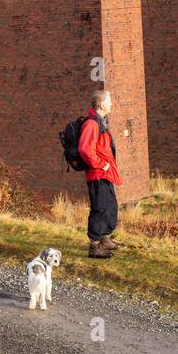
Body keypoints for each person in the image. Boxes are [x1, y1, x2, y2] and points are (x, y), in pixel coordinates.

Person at [77, 89, 121, 258]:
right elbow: (85, 150)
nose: (111, 104)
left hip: (105, 173)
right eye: (109, 101)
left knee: (110, 207)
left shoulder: (101, 121)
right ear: (102, 105)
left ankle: (105, 239)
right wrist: (101, 165)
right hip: (97, 174)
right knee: (99, 208)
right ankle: (94, 246)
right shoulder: (92, 124)